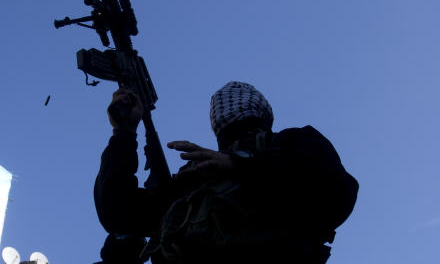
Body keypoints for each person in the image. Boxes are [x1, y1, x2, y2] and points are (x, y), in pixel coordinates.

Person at [94, 81, 358, 264]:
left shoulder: (291, 144)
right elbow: (121, 215)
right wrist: (124, 132)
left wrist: (239, 167)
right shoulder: (197, 176)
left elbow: (336, 192)